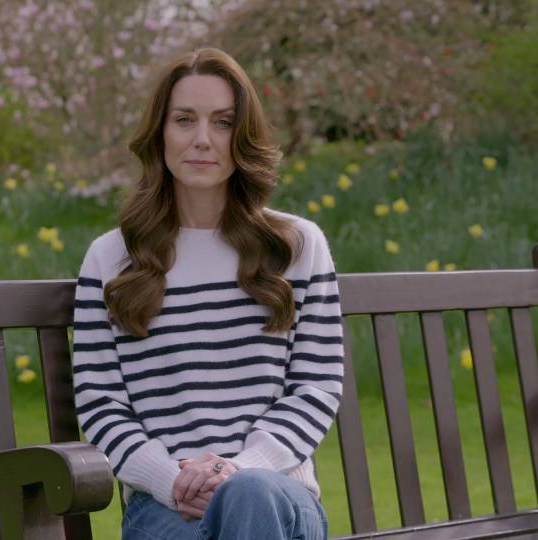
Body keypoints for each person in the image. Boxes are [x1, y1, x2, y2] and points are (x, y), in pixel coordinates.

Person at [72, 46, 344, 539]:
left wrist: (239, 468)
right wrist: (172, 479)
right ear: (160, 132)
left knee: (250, 496)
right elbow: (100, 402)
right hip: (164, 505)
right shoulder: (112, 260)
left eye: (222, 122)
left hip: (279, 496)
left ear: (243, 136)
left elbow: (317, 385)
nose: (202, 140)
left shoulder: (296, 248)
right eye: (184, 120)